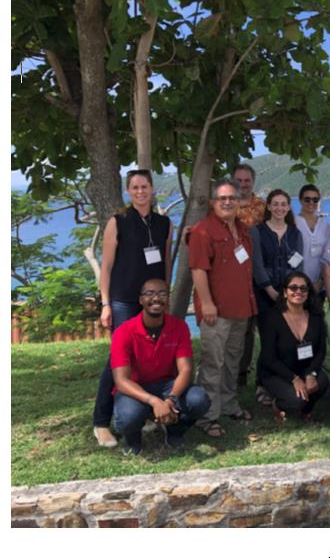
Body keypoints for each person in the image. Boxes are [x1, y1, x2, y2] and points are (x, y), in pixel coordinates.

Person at [92, 168, 172, 448]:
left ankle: (144, 413)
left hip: (153, 301)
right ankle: (101, 422)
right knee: (117, 360)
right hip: (124, 299)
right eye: (135, 187)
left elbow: (167, 262)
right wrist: (105, 303)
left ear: (152, 189)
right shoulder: (118, 221)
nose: (140, 192)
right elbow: (107, 266)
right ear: (129, 191)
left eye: (144, 187)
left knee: (146, 357)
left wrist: (166, 295)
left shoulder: (164, 223)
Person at [188, 178, 257, 437]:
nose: (227, 202)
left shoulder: (243, 229)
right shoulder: (202, 231)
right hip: (215, 312)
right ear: (213, 202)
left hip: (241, 308)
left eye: (232, 198)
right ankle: (207, 416)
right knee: (212, 363)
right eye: (222, 198)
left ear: (238, 202)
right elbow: (198, 269)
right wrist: (206, 303)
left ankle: (228, 405)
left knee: (231, 361)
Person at [111, 279, 210, 455]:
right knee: (128, 417)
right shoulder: (124, 331)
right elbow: (121, 380)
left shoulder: (179, 327)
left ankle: (174, 431)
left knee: (199, 400)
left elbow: (186, 369)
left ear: (168, 299)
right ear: (140, 300)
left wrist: (171, 399)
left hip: (167, 385)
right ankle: (133, 440)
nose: (156, 298)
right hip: (136, 388)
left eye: (162, 293)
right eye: (149, 293)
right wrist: (154, 401)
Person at [250, 188, 304, 407]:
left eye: (284, 204)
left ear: (289, 208)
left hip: (288, 295)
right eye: (276, 204)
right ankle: (262, 384)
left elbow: (298, 262)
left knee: (284, 340)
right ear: (269, 207)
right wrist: (270, 290)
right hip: (264, 294)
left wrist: (289, 292)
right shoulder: (257, 231)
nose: (280, 208)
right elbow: (257, 264)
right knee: (267, 339)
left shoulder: (295, 233)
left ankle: (281, 379)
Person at [257, 271, 329, 420]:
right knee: (296, 400)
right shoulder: (272, 319)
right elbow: (269, 359)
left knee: (322, 381)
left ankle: (306, 410)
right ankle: (278, 403)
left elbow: (321, 351)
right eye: (293, 287)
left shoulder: (317, 317)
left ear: (308, 293)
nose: (298, 292)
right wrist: (294, 379)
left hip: (305, 369)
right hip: (277, 373)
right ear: (284, 292)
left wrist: (311, 374)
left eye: (303, 288)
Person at [233, 163, 267, 389]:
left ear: (253, 182)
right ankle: (240, 371)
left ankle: (265, 373)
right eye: (239, 180)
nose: (243, 184)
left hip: (260, 273)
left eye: (247, 180)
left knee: (264, 325)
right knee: (241, 329)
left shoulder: (263, 207)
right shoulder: (225, 206)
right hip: (235, 276)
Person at [294, 184, 330, 294]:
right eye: (307, 199)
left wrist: (321, 282)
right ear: (300, 200)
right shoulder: (293, 224)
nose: (311, 203)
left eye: (315, 200)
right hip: (296, 287)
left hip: (319, 286)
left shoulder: (326, 227)